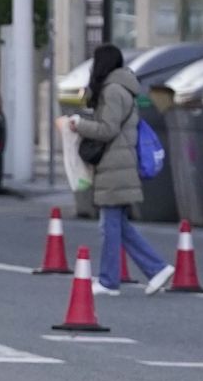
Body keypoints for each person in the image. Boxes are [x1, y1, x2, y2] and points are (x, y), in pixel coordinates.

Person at [71, 45, 175, 296]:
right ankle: (156, 268)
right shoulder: (120, 87)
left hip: (115, 166)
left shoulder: (113, 90)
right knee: (118, 226)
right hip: (117, 164)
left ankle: (109, 280)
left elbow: (108, 129)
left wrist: (79, 125)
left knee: (110, 226)